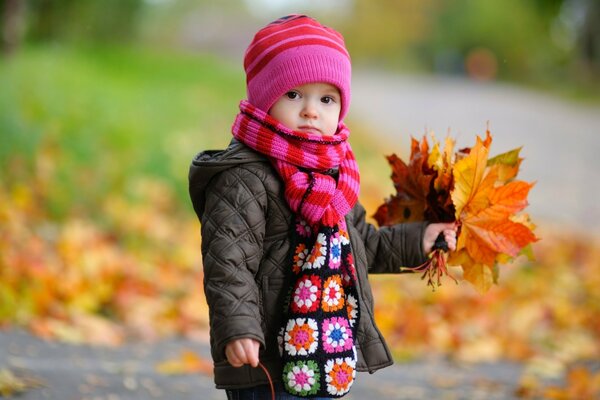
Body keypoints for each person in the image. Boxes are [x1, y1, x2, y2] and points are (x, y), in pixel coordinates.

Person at [188, 14, 457, 399]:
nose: (311, 110)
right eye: (294, 94)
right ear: (264, 99)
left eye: (326, 99)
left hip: (326, 349)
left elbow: (363, 245)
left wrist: (421, 239)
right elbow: (229, 264)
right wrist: (239, 328)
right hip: (266, 356)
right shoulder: (243, 177)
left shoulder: (334, 177)